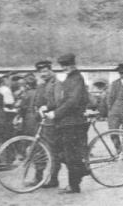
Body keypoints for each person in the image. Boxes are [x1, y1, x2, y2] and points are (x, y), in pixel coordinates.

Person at [45, 53, 90, 194]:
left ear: (73, 64)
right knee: (61, 152)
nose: (65, 68)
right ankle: (82, 169)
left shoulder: (77, 78)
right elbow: (61, 100)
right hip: (65, 121)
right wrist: (48, 108)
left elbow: (73, 101)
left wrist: (56, 113)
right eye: (63, 66)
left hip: (74, 122)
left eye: (67, 65)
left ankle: (74, 186)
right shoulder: (68, 79)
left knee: (70, 154)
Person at [33, 60, 63, 188]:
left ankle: (54, 179)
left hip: (52, 122)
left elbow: (58, 101)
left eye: (45, 71)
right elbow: (37, 101)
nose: (43, 74)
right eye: (40, 72)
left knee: (53, 151)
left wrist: (46, 107)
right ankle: (38, 177)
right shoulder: (41, 85)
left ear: (50, 70)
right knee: (38, 149)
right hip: (41, 121)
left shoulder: (56, 83)